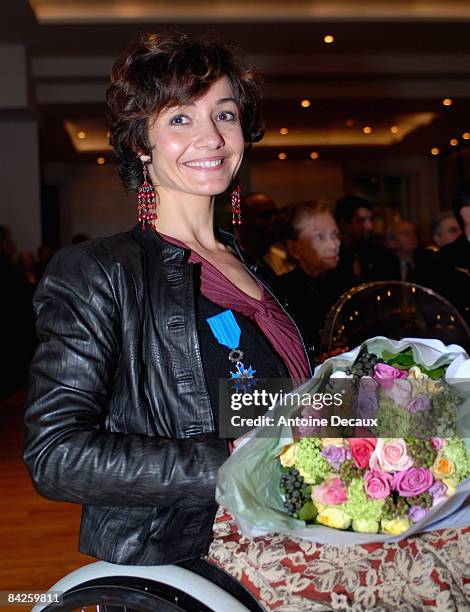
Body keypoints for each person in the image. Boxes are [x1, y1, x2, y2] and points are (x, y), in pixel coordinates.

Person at [23, 32, 310, 599]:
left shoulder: (252, 266)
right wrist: (234, 465)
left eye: (224, 114)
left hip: (298, 513)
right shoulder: (99, 272)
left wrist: (377, 407)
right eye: (180, 118)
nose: (211, 136)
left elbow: (269, 399)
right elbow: (54, 454)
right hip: (199, 545)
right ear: (140, 144)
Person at [278, 201, 353, 356]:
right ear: (294, 248)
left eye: (335, 235)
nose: (334, 244)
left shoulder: (352, 286)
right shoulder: (280, 291)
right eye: (320, 237)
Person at [335, 195, 398, 282]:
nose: (370, 226)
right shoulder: (333, 256)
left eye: (371, 219)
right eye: (361, 221)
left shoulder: (382, 256)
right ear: (343, 224)